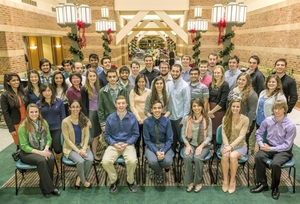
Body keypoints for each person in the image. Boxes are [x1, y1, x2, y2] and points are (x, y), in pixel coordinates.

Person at [250, 100, 296, 200]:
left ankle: (275, 187)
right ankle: (263, 184)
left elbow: (287, 146)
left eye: (280, 109)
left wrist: (270, 148)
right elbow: (259, 133)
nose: (277, 111)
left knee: (275, 164)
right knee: (258, 157)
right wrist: (261, 144)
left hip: (283, 150)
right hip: (269, 146)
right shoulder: (268, 120)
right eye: (275, 108)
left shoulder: (290, 125)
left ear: (285, 110)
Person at [18, 103, 60, 196]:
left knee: (51, 158)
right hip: (27, 153)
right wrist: (41, 153)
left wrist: (45, 150)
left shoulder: (44, 122)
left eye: (36, 112)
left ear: (39, 112)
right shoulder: (23, 126)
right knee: (41, 160)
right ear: (27, 113)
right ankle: (50, 188)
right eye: (31, 112)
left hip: (42, 149)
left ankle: (44, 187)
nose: (34, 114)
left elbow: (49, 138)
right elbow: (24, 146)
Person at [102, 96, 139, 193]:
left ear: (127, 104)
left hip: (128, 145)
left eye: (123, 103)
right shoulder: (110, 118)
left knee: (132, 161)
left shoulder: (132, 117)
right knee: (105, 162)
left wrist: (127, 143)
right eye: (119, 103)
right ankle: (114, 180)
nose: (121, 105)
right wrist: (114, 144)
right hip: (114, 145)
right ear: (115, 105)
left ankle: (130, 181)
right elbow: (107, 135)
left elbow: (136, 134)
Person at [182, 98, 212, 193]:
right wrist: (187, 145)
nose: (196, 108)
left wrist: (201, 146)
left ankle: (198, 181)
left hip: (203, 145)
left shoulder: (207, 119)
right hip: (190, 144)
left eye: (198, 105)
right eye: (194, 106)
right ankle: (190, 181)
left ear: (202, 107)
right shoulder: (187, 119)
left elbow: (209, 136)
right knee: (187, 157)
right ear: (191, 107)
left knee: (197, 158)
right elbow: (183, 134)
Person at [62, 100, 93, 189]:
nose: (75, 109)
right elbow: (67, 139)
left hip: (82, 146)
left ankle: (79, 178)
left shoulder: (84, 119)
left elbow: (87, 136)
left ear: (80, 108)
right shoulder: (65, 122)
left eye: (77, 107)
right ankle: (84, 181)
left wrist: (83, 148)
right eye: (73, 107)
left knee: (90, 159)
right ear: (69, 108)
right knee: (80, 161)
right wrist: (78, 151)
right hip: (70, 148)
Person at [221, 99, 249, 194]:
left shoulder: (245, 119)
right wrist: (226, 146)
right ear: (230, 107)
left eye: (237, 106)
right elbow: (223, 133)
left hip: (240, 145)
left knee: (232, 156)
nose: (235, 108)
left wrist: (231, 147)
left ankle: (232, 181)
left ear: (241, 108)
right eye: (233, 106)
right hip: (226, 144)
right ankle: (225, 180)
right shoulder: (225, 118)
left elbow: (242, 136)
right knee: (225, 155)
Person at [37, 83, 66, 174]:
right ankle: (53, 165)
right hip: (45, 130)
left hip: (57, 128)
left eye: (49, 90)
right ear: (41, 93)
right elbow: (38, 118)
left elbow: (63, 116)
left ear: (52, 91)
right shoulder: (38, 104)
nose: (47, 93)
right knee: (49, 148)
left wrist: (63, 128)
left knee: (57, 148)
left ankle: (59, 163)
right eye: (44, 91)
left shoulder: (59, 102)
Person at [143, 100, 173, 184]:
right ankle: (159, 173)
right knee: (152, 161)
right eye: (154, 108)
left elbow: (170, 139)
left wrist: (163, 151)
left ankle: (155, 169)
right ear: (151, 110)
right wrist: (156, 152)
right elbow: (147, 140)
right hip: (151, 145)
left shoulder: (167, 121)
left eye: (159, 108)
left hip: (164, 145)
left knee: (168, 162)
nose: (157, 110)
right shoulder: (147, 122)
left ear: (162, 109)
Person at [227, 72, 258, 150]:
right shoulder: (233, 89)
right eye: (239, 79)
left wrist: (248, 126)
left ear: (247, 82)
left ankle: (243, 159)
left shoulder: (252, 94)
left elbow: (252, 111)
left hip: (244, 121)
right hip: (232, 119)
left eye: (243, 80)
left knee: (243, 141)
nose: (240, 81)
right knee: (232, 138)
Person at [166, 64, 191, 152]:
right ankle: (172, 157)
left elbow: (187, 103)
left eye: (177, 71)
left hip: (180, 117)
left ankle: (182, 158)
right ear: (170, 71)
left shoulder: (185, 86)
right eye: (173, 71)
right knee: (172, 138)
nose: (175, 73)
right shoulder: (168, 84)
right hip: (170, 116)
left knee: (182, 139)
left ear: (180, 72)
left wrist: (184, 118)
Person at [1, 73, 28, 147]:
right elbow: (6, 113)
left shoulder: (22, 92)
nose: (16, 82)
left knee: (28, 142)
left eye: (17, 80)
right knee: (20, 144)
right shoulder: (5, 96)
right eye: (13, 80)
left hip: (27, 121)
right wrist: (11, 129)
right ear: (8, 82)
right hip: (16, 123)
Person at [81, 69, 102, 162]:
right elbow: (83, 105)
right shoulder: (84, 89)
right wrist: (87, 119)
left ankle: (94, 154)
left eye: (94, 76)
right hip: (91, 114)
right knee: (91, 136)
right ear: (87, 77)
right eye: (90, 76)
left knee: (97, 135)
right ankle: (89, 156)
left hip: (99, 113)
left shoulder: (99, 87)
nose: (92, 78)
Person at [129, 74, 151, 157]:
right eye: (139, 82)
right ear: (136, 82)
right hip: (136, 118)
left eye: (143, 81)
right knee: (137, 138)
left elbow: (151, 106)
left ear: (145, 82)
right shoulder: (133, 92)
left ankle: (146, 153)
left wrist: (145, 118)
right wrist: (138, 119)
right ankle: (137, 152)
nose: (141, 83)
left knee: (146, 137)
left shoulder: (149, 91)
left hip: (147, 118)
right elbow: (132, 106)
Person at [208, 65, 230, 137]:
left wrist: (212, 111)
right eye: (215, 73)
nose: (216, 75)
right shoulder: (211, 84)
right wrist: (209, 111)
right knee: (210, 128)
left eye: (218, 73)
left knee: (217, 129)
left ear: (222, 74)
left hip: (219, 110)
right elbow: (208, 99)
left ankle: (216, 145)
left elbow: (223, 101)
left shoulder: (225, 85)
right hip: (210, 109)